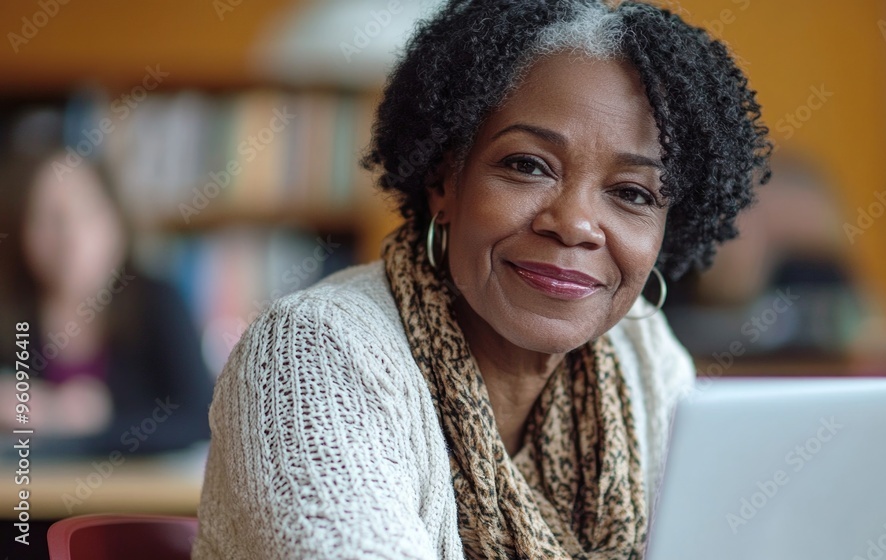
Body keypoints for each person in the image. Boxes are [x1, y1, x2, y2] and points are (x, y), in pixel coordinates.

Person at [194, 1, 770, 558]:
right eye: (527, 165)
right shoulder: (311, 354)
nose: (573, 225)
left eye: (632, 194)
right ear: (446, 182)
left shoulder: (647, 359)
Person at [0, 151, 214, 456]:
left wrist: (92, 423)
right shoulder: (11, 309)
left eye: (86, 213)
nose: (70, 237)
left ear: (117, 224)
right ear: (22, 233)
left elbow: (201, 420)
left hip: (135, 499)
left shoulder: (157, 300)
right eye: (48, 218)